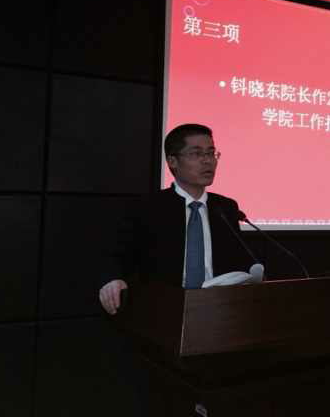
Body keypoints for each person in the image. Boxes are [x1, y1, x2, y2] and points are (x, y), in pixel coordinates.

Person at [99, 123, 250, 315]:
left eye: (211, 153)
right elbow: (116, 256)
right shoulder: (147, 207)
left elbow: (237, 260)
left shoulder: (226, 207)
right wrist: (113, 279)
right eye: (196, 154)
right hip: (161, 310)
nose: (207, 161)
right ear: (172, 161)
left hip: (217, 308)